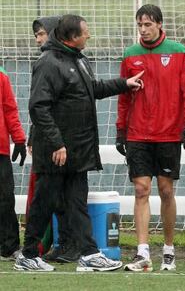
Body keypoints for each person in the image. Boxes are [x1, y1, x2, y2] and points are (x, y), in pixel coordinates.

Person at [14, 14, 144, 272]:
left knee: (77, 201)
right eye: (86, 32)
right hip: (56, 151)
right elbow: (39, 108)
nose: (89, 35)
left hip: (77, 150)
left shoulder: (79, 59)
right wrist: (56, 144)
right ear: (72, 37)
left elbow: (92, 89)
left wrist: (124, 84)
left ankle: (89, 253)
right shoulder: (48, 63)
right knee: (44, 201)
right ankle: (28, 254)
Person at [117, 4, 185, 272]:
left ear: (160, 24)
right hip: (138, 134)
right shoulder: (130, 55)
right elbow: (123, 96)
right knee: (141, 189)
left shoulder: (178, 52)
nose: (143, 30)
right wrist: (121, 130)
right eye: (140, 25)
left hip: (168, 134)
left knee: (166, 191)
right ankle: (142, 252)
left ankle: (169, 249)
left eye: (148, 24)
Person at [30, 15, 81, 263]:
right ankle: (35, 249)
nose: (38, 39)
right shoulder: (47, 61)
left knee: (62, 198)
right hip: (53, 143)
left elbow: (46, 106)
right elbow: (40, 107)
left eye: (41, 34)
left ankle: (68, 245)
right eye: (36, 35)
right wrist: (34, 137)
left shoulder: (64, 61)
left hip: (61, 143)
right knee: (51, 198)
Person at [0, 67, 26, 261]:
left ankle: (9, 246)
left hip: (0, 150)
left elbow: (9, 108)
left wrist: (18, 138)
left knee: (5, 198)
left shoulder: (2, 75)